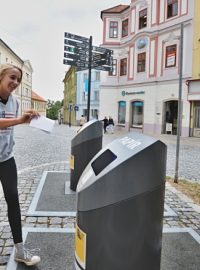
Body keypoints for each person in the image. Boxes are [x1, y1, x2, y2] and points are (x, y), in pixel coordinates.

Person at [0, 64, 41, 266]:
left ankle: (19, 250)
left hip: (6, 159)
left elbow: (15, 122)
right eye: (12, 77)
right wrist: (18, 120)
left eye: (18, 80)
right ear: (1, 77)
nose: (15, 83)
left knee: (14, 201)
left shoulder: (15, 102)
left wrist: (31, 118)